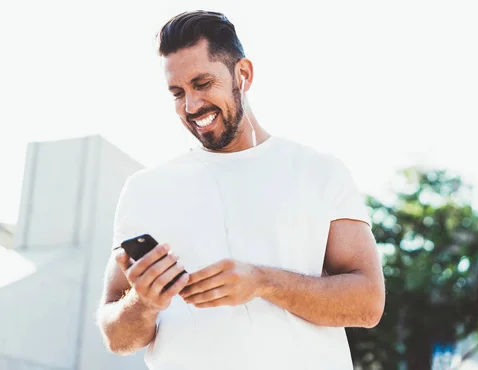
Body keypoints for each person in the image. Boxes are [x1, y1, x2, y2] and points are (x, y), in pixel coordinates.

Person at [96, 10, 385, 370]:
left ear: (243, 74)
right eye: (177, 92)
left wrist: (262, 282)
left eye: (202, 84)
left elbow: (368, 303)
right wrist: (143, 302)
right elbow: (116, 337)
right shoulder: (144, 190)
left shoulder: (319, 172)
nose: (191, 106)